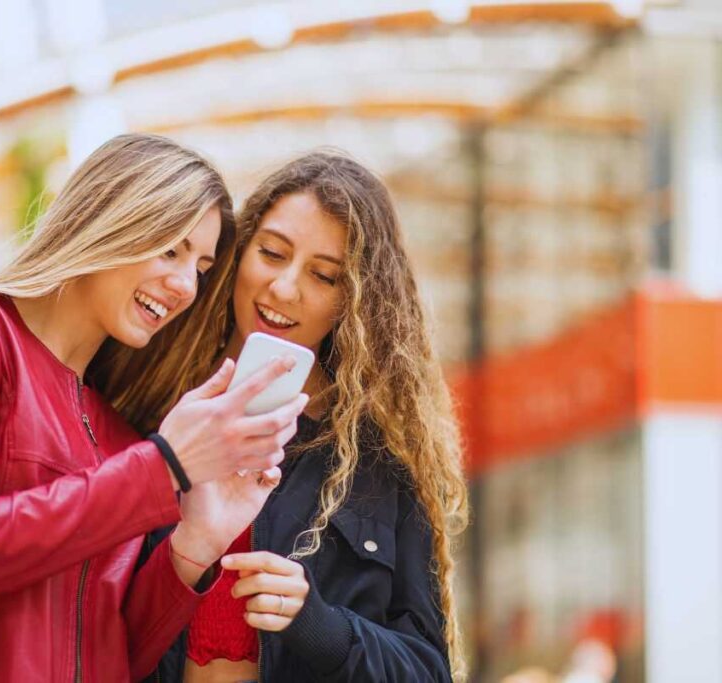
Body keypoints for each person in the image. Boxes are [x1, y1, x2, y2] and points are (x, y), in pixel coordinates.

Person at [0, 134, 308, 682]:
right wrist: (165, 465)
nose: (184, 285)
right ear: (109, 220)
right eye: (170, 248)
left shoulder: (119, 434)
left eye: (201, 266)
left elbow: (114, 655)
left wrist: (196, 543)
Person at [102, 151, 470, 682]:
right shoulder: (147, 407)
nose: (284, 288)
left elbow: (427, 671)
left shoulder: (376, 465)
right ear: (238, 252)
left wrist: (322, 627)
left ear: (354, 301)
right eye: (272, 253)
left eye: (324, 276)